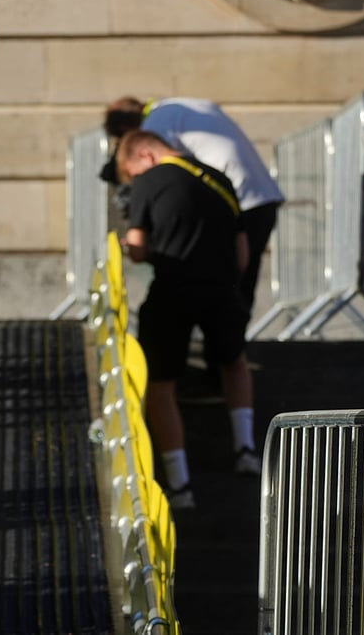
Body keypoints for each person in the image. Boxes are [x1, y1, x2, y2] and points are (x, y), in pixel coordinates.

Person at [114, 130, 261, 510]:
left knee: (161, 385)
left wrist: (133, 248)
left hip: (172, 291)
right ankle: (246, 449)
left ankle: (180, 485)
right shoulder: (219, 178)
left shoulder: (148, 182)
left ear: (145, 156)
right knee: (234, 362)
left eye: (132, 173)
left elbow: (138, 247)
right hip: (222, 289)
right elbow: (242, 252)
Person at [104, 96, 285, 319]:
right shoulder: (180, 104)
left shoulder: (155, 126)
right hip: (261, 195)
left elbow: (165, 178)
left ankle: (224, 336)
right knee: (239, 284)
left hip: (235, 198)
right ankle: (233, 337)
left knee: (222, 287)